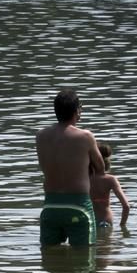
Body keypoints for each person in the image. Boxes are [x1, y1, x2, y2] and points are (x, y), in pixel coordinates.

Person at [36, 89, 104, 247]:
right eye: (80, 107)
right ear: (76, 111)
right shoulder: (85, 137)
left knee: (49, 258)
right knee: (84, 262)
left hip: (50, 207)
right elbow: (100, 168)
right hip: (78, 207)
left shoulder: (40, 136)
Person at [90, 142, 131, 229]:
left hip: (86, 221)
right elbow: (126, 206)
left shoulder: (83, 179)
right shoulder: (110, 180)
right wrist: (122, 226)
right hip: (105, 221)